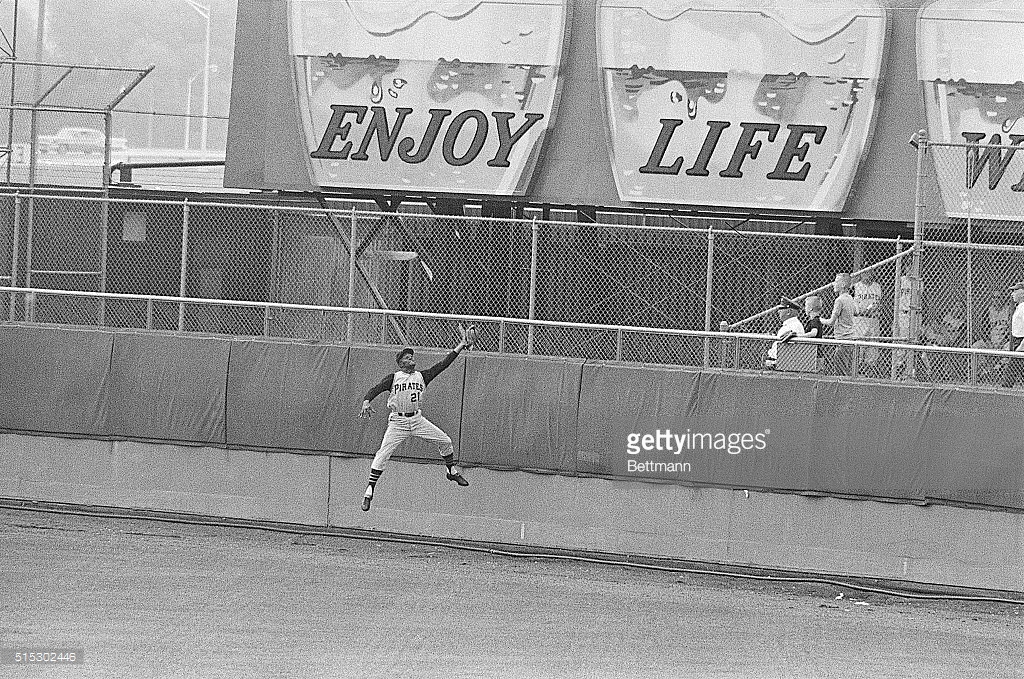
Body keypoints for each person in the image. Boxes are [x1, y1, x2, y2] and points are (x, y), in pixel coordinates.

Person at [357, 326, 476, 511]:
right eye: (407, 357)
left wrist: (461, 345)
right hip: (398, 422)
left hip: (417, 420)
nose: (411, 358)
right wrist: (366, 401)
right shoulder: (394, 378)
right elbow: (376, 389)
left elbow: (443, 364)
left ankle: (451, 471)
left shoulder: (422, 376)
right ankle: (369, 491)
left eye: (411, 356)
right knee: (382, 454)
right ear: (401, 363)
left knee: (445, 441)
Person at [821, 272, 857, 375]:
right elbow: (856, 311)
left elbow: (831, 322)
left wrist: (820, 320)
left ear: (842, 285)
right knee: (847, 369)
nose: (833, 284)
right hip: (850, 337)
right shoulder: (850, 298)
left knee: (840, 371)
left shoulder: (839, 300)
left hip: (843, 338)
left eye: (836, 281)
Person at [853, 268, 883, 369]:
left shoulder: (877, 287)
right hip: (860, 319)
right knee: (859, 347)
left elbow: (880, 304)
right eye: (865, 272)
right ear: (860, 273)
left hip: (874, 319)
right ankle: (857, 370)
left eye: (869, 271)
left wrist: (875, 308)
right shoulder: (856, 286)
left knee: (873, 346)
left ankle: (870, 370)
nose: (867, 274)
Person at [766, 299, 804, 370]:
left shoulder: (794, 326)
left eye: (781, 309)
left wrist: (775, 362)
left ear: (789, 312)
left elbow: (789, 352)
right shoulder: (789, 324)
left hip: (782, 366)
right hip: (777, 363)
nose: (778, 311)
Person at [1001, 282, 1024, 389]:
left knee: (1011, 371)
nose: (1012, 294)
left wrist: (1021, 346)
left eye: (1015, 291)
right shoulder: (1020, 306)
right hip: (1016, 341)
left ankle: (1004, 393)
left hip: (1021, 342)